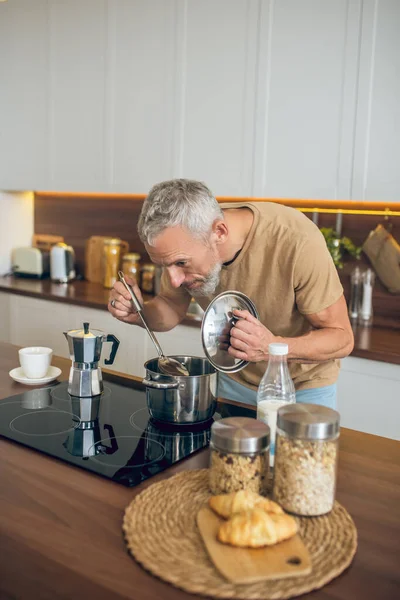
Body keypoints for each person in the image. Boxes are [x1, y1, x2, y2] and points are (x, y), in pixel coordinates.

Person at [108, 179, 354, 409]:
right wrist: (138, 313)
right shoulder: (182, 237)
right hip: (235, 382)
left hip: (301, 387)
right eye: (165, 266)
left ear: (220, 233)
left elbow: (341, 338)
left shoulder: (297, 242)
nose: (174, 279)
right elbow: (170, 306)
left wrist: (271, 347)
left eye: (181, 263)